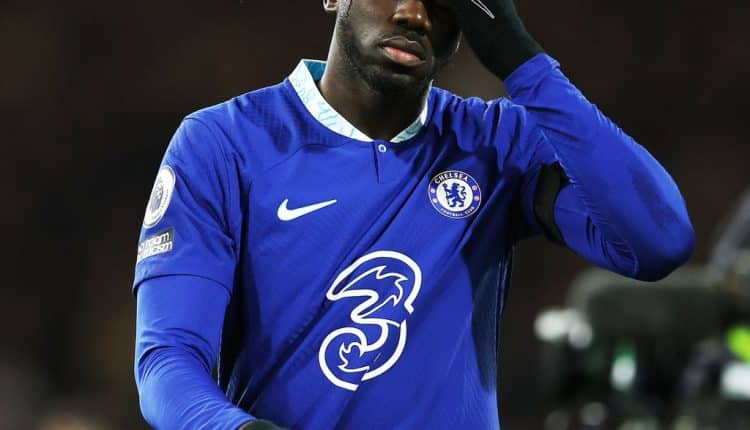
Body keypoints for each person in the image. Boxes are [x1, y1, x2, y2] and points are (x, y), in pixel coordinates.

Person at [132, 0, 695, 428]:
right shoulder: (226, 143)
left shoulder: (495, 145)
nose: (413, 14)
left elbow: (658, 240)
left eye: (442, 1)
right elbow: (168, 358)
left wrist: (524, 62)